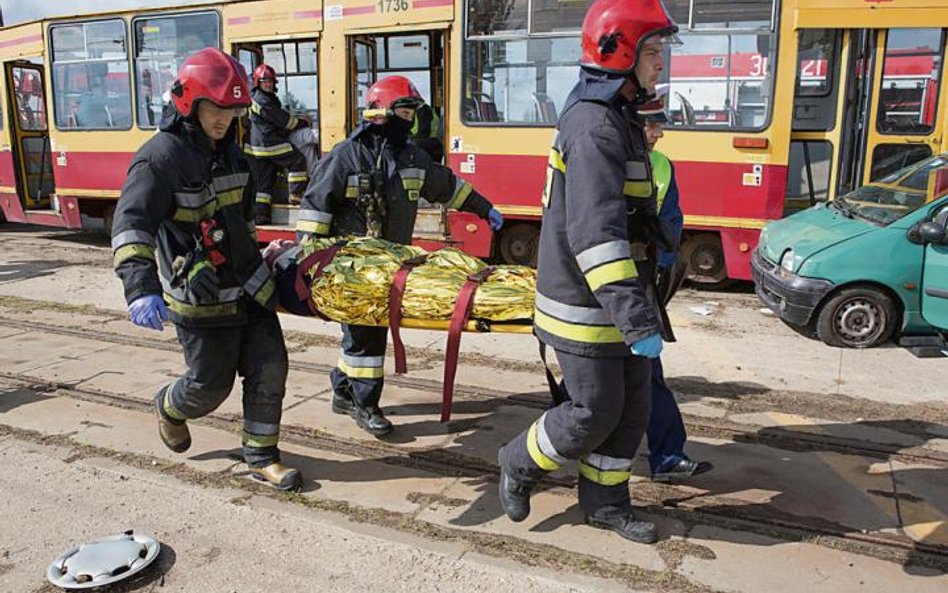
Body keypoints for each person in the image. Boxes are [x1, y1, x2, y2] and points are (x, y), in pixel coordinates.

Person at [497, 0, 680, 544]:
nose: (660, 65)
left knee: (632, 411)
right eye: (652, 52)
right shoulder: (596, 125)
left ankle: (605, 503)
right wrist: (637, 320)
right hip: (584, 304)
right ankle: (517, 463)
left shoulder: (616, 113)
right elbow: (595, 237)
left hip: (618, 299)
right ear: (619, 53)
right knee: (592, 412)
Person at [111, 47, 302, 492]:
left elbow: (243, 216)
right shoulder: (159, 159)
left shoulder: (233, 152)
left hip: (250, 286)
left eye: (233, 111)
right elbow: (132, 225)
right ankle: (170, 407)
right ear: (189, 103)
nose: (224, 119)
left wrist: (267, 252)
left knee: (271, 368)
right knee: (209, 388)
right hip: (202, 297)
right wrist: (141, 288)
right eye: (216, 108)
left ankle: (260, 456)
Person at [295, 75, 504, 437]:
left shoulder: (410, 155)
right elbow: (315, 206)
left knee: (362, 332)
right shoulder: (347, 155)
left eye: (412, 112)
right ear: (381, 113)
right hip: (353, 266)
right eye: (404, 111)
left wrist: (484, 208)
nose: (409, 119)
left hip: (389, 263)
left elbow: (446, 185)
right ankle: (365, 403)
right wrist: (311, 259)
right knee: (368, 333)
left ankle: (343, 389)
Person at [638, 86, 713, 482]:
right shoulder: (602, 162)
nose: (659, 133)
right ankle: (548, 438)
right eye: (652, 124)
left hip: (641, 285)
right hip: (606, 288)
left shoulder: (662, 166)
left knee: (645, 373)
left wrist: (660, 274)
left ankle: (667, 455)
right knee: (596, 377)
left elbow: (672, 221)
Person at [246, 63, 320, 224]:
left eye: (270, 81)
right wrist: (302, 122)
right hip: (269, 143)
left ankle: (261, 217)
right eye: (264, 81)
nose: (268, 84)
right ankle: (296, 195)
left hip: (258, 147)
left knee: (264, 185)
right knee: (297, 160)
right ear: (258, 82)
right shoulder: (263, 100)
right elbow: (286, 122)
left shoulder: (262, 98)